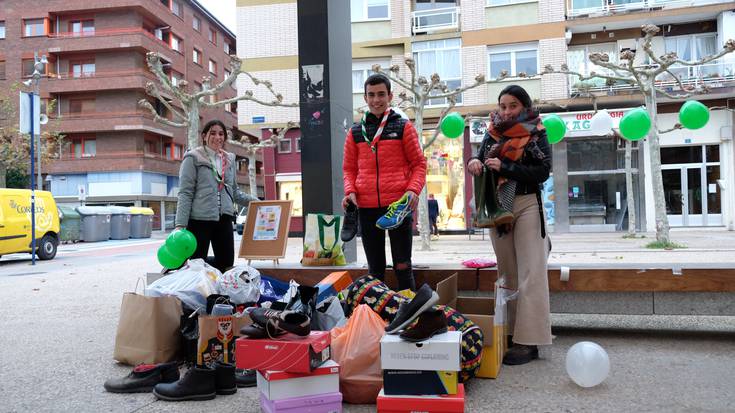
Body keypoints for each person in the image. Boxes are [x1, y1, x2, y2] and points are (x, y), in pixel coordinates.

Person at [466, 84, 552, 365]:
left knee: (531, 273)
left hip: (527, 204)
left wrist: (506, 168)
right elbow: (478, 158)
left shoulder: (536, 131)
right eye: (503, 105)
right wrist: (474, 164)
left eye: (512, 105)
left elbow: (542, 171)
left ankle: (529, 342)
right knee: (508, 274)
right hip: (497, 207)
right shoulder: (492, 132)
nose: (506, 110)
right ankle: (510, 334)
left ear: (524, 107)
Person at [342, 73, 427, 291]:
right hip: (367, 208)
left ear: (390, 96)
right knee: (375, 270)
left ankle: (410, 319)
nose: (376, 100)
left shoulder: (403, 127)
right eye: (371, 95)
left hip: (398, 207)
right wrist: (350, 190)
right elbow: (349, 169)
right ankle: (378, 319)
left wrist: (413, 190)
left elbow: (419, 163)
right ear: (365, 98)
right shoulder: (354, 132)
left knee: (403, 266)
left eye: (381, 94)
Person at [175, 120, 258, 273]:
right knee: (196, 263)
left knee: (226, 263)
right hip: (200, 219)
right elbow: (185, 193)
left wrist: (258, 203)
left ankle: (218, 294)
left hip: (224, 219)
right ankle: (199, 289)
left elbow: (234, 192)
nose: (217, 137)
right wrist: (180, 225)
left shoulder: (229, 159)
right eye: (213, 133)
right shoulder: (193, 158)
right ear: (204, 136)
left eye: (221, 134)